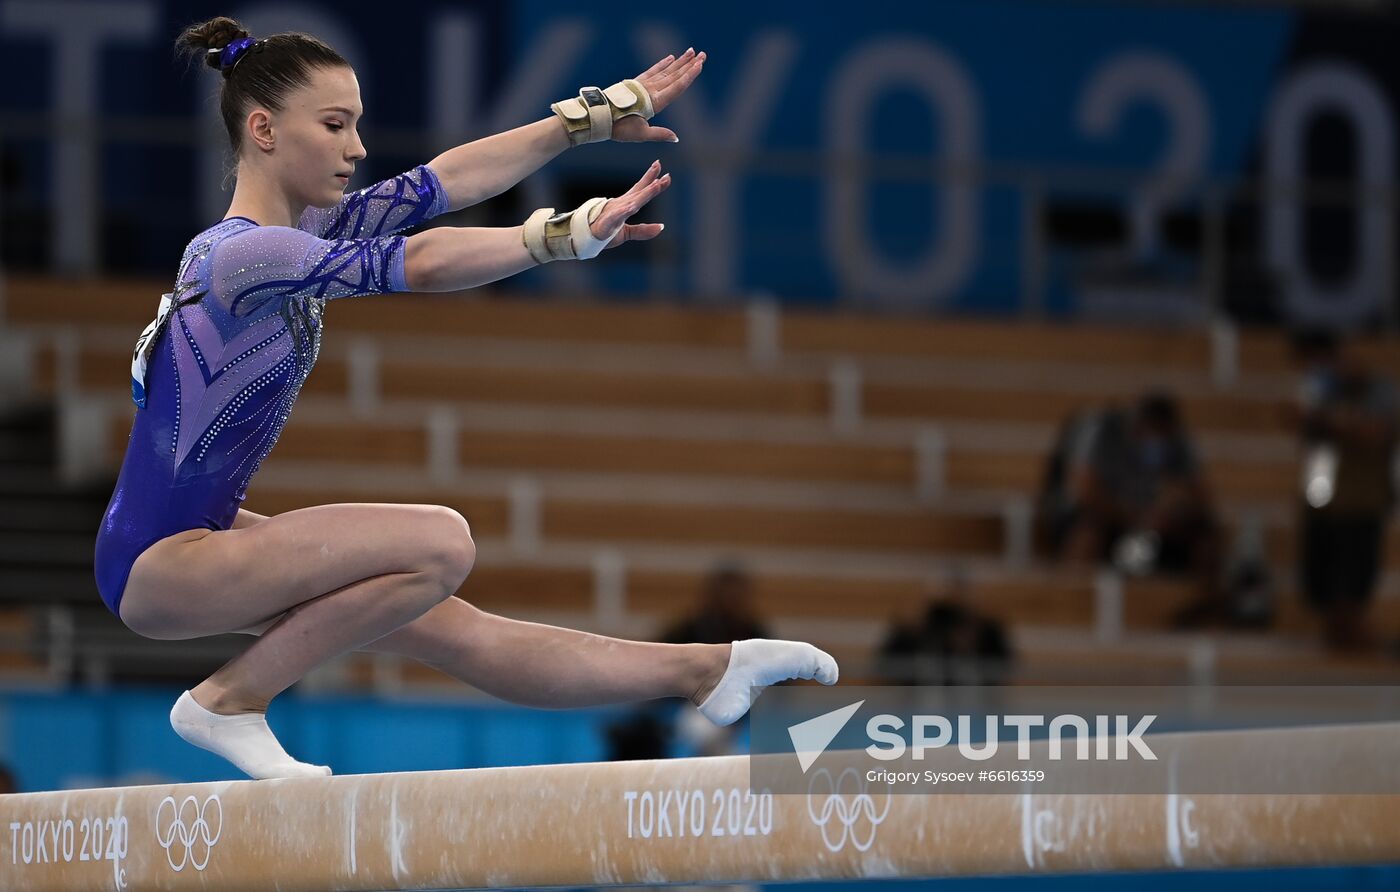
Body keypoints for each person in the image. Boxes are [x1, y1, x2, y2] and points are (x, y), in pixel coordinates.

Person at [92, 18, 836, 781]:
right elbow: (423, 258)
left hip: (194, 541)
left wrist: (590, 119)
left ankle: (705, 669)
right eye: (335, 124)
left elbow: (448, 182)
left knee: (457, 632)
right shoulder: (242, 256)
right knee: (439, 545)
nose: (357, 147)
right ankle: (229, 699)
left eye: (357, 125)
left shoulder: (306, 234)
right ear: (264, 129)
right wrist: (562, 236)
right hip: (166, 562)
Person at [1290, 331, 1397, 651]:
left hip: (1364, 496)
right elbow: (1297, 417)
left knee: (1356, 569)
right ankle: (1336, 627)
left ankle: (1354, 628)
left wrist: (1336, 423)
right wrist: (1335, 422)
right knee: (1321, 572)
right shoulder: (1318, 386)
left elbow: (1374, 433)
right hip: (1323, 485)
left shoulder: (1381, 390)